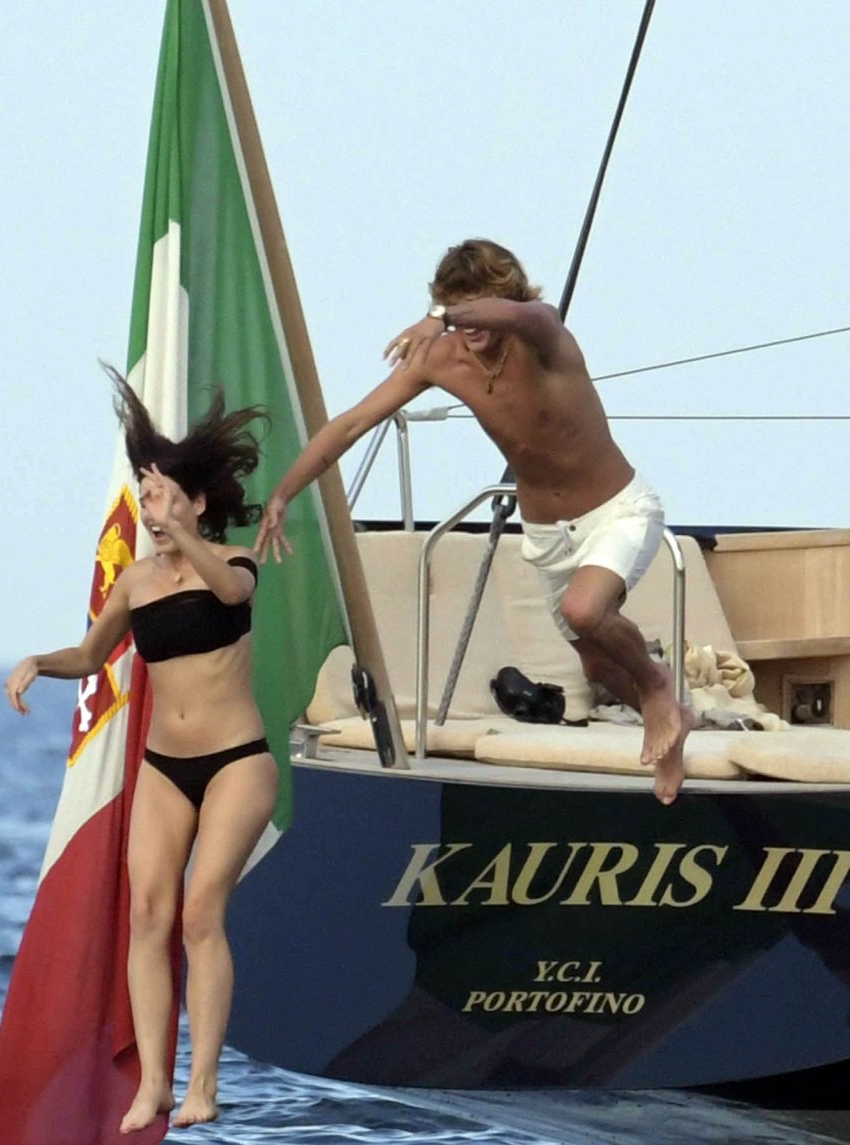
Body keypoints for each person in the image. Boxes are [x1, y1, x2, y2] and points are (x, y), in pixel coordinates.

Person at [255, 238, 692, 804]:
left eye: (475, 303)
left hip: (617, 510)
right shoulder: (442, 358)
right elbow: (352, 424)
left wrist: (442, 314)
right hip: (548, 535)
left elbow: (520, 315)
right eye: (453, 304)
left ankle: (657, 687)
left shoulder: (544, 336)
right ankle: (673, 724)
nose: (469, 321)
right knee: (598, 668)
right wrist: (284, 492)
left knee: (584, 610)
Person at [4, 371, 278, 1131]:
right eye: (145, 495)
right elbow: (93, 656)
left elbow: (230, 594)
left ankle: (203, 1085)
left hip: (236, 763)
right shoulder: (136, 581)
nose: (150, 508)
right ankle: (154, 1082)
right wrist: (39, 662)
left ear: (196, 503)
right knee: (148, 917)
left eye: (162, 495)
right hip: (164, 768)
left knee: (200, 914)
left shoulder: (236, 562)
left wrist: (179, 533)